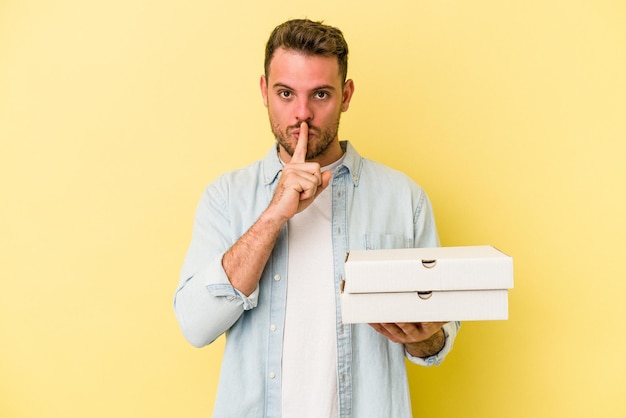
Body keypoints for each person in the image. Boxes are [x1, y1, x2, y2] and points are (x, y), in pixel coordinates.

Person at [174, 18, 460, 418]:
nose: (302, 115)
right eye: (286, 93)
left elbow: (438, 340)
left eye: (320, 94)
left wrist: (425, 338)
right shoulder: (226, 198)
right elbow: (196, 326)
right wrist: (274, 214)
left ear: (346, 95)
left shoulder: (403, 198)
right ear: (264, 91)